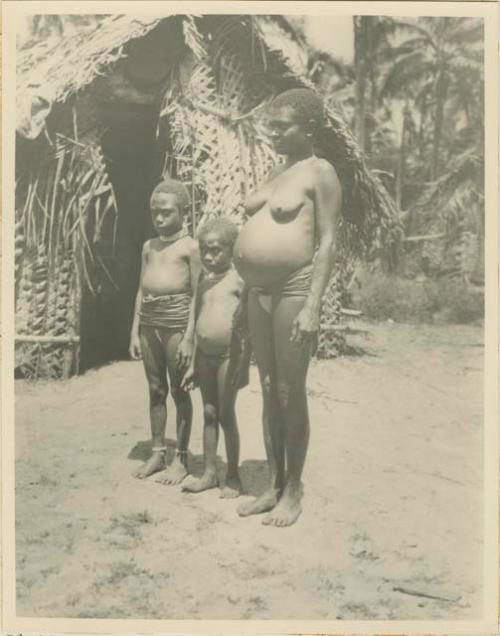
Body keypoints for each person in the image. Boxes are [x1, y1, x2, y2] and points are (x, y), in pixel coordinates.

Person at [233, 88, 342, 527]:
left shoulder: (321, 173)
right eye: (272, 125)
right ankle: (274, 483)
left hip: (294, 289)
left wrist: (313, 305)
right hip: (259, 294)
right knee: (267, 386)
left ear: (309, 129)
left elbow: (329, 241)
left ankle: (294, 488)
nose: (273, 132)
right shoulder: (278, 173)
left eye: (283, 126)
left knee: (287, 390)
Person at [129, 178, 201, 484]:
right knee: (155, 389)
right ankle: (158, 452)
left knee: (179, 390)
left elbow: (198, 295)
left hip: (176, 325)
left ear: (183, 212)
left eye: (167, 212)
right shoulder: (149, 246)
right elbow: (141, 290)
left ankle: (181, 459)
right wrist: (135, 330)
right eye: (154, 212)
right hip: (150, 325)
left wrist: (189, 338)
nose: (159, 218)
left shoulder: (191, 248)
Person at [181, 217, 249, 498]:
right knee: (208, 412)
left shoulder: (239, 280)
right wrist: (192, 356)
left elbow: (248, 328)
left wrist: (243, 363)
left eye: (216, 250)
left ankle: (232, 474)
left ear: (231, 250)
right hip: (204, 356)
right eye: (204, 250)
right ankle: (209, 473)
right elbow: (197, 317)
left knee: (225, 413)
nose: (208, 256)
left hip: (227, 357)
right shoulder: (202, 281)